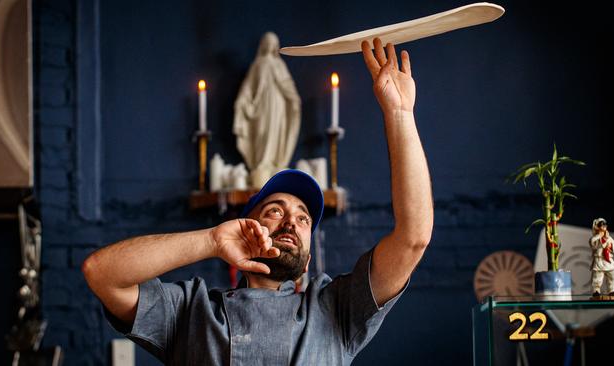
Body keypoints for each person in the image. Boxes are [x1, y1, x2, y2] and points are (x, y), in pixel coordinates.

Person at [82, 38, 433, 365]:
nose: (291, 221)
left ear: (309, 258)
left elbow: (413, 237)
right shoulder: (191, 311)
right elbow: (102, 274)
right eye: (275, 210)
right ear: (243, 229)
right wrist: (211, 240)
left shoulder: (337, 309)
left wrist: (400, 114)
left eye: (304, 219)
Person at [233, 32, 302, 189]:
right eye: (268, 42)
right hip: (261, 108)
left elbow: (287, 85)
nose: (270, 45)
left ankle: (276, 163)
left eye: (273, 42)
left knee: (276, 133)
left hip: (278, 106)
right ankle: (262, 165)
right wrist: (242, 101)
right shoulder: (258, 64)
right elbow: (248, 88)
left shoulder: (279, 65)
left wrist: (294, 99)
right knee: (263, 133)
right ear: (263, 44)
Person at [590, 218, 614, 296]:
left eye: (604, 226)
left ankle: (613, 290)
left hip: (608, 260)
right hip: (599, 260)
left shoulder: (609, 238)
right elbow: (592, 243)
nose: (603, 227)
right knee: (597, 278)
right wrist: (599, 236)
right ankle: (596, 291)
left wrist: (611, 246)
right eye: (601, 225)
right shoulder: (595, 238)